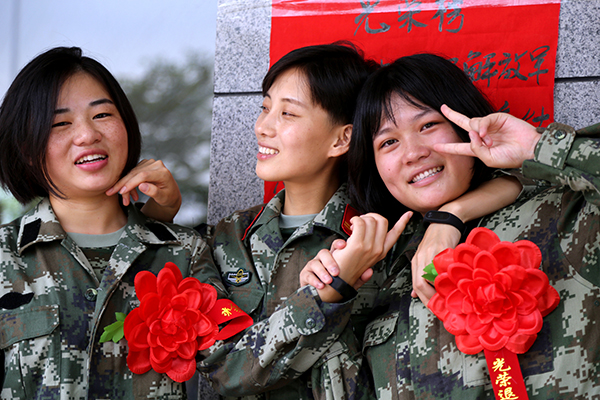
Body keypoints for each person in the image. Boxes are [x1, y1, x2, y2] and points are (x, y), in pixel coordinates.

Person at [188, 43, 523, 400]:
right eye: (265, 108)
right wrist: (328, 294)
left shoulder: (390, 233)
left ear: (343, 138)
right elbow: (225, 367)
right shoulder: (228, 236)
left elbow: (513, 177)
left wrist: (450, 217)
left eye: (287, 114)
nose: (262, 127)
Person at [323, 53, 600, 399]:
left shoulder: (560, 212)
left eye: (427, 125)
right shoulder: (380, 272)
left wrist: (535, 147)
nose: (413, 153)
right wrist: (328, 293)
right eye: (388, 142)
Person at [0, 46, 205, 399]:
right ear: (27, 149)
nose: (87, 135)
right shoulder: (6, 255)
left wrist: (313, 295)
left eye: (102, 114)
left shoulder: (186, 251)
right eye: (60, 123)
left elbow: (238, 356)